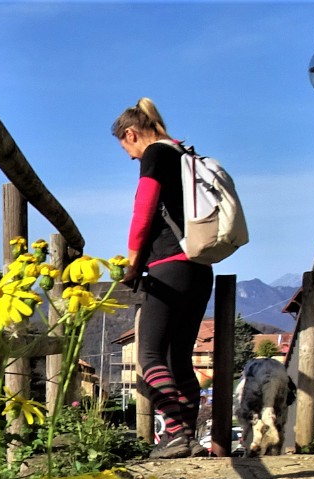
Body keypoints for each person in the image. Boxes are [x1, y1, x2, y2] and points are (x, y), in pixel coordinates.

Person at [112, 98, 213, 458]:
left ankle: (175, 434)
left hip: (168, 265)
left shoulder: (156, 154)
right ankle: (186, 437)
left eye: (128, 150)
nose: (131, 158)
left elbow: (145, 207)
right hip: (200, 268)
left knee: (149, 354)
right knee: (178, 357)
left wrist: (133, 261)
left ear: (131, 133)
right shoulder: (184, 153)